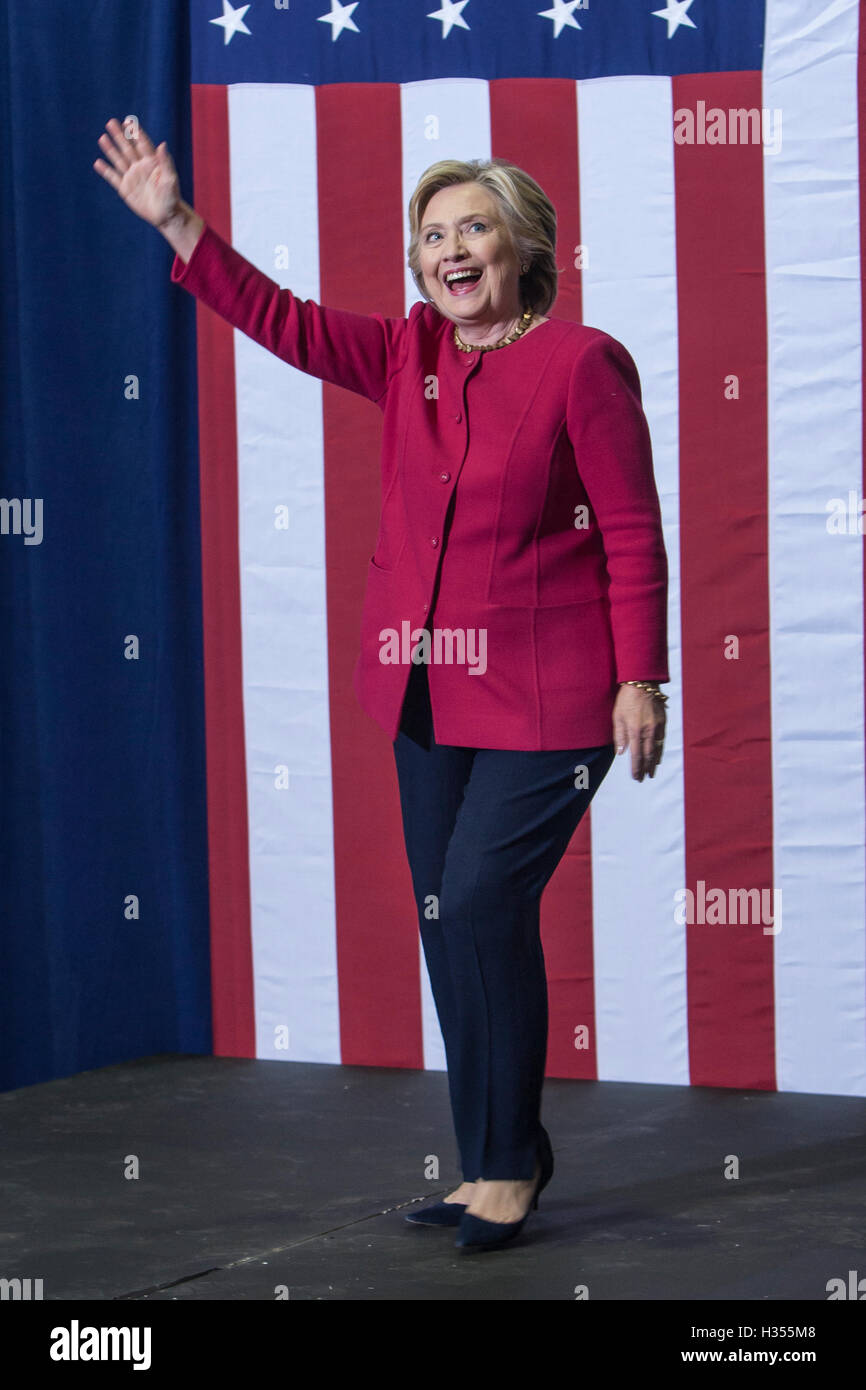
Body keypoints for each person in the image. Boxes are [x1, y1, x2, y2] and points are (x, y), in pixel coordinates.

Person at [94, 119, 669, 1253]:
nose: (452, 250)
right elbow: (283, 323)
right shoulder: (404, 353)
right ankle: (495, 1155)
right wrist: (176, 219)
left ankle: (507, 1165)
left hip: (553, 701)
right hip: (423, 696)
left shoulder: (580, 362)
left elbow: (634, 535)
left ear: (523, 249)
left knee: (484, 901)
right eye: (433, 235)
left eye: (475, 230)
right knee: (448, 919)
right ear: (417, 264)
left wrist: (641, 678)